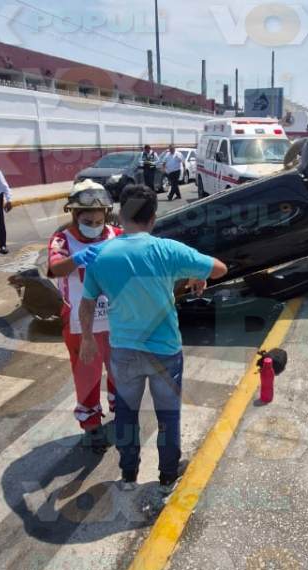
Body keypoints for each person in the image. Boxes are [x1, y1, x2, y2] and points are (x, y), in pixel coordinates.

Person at [77, 184, 227, 494]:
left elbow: (87, 303)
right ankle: (168, 473)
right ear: (153, 218)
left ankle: (129, 470)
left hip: (123, 350)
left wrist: (89, 340)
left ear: (120, 215)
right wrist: (195, 272)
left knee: (127, 413)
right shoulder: (167, 249)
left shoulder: (101, 255)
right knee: (167, 415)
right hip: (165, 351)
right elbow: (219, 269)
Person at [47, 181, 122, 451]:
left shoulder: (117, 234)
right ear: (75, 215)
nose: (94, 224)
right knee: (87, 375)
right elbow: (55, 269)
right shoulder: (62, 240)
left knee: (121, 370)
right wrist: (78, 259)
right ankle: (91, 425)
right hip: (81, 323)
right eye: (87, 220)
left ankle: (121, 411)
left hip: (116, 320)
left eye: (99, 219)